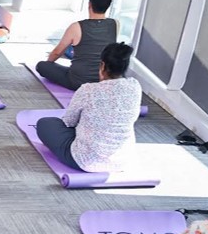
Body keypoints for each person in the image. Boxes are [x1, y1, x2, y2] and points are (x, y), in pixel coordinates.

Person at [35, 43, 141, 172]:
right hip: (121, 161)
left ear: (102, 65)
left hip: (85, 161)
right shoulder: (135, 87)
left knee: (45, 123)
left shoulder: (88, 90)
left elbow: (69, 122)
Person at [36, 0, 118, 90]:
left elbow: (57, 52)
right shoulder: (115, 24)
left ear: (89, 4)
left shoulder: (76, 27)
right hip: (104, 80)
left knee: (41, 66)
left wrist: (49, 64)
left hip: (79, 81)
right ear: (108, 5)